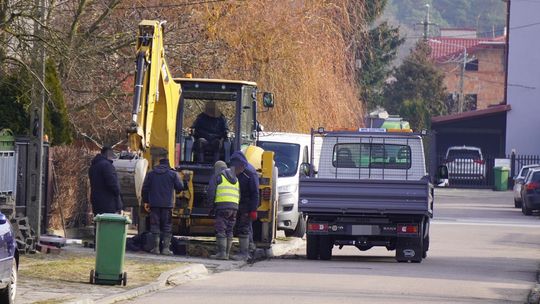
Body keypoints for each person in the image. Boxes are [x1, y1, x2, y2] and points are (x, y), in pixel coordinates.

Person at [141, 150, 186, 255]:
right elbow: (180, 187)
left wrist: (146, 201)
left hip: (154, 205)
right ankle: (166, 249)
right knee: (167, 226)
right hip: (167, 205)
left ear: (159, 164)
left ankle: (156, 248)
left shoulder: (151, 173)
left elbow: (145, 188)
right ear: (168, 164)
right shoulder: (173, 174)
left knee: (155, 226)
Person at [229, 151, 259, 261]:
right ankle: (250, 249)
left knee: (244, 227)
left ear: (242, 166)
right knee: (243, 227)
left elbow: (255, 193)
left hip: (247, 203)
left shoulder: (250, 173)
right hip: (237, 202)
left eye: (237, 168)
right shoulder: (233, 170)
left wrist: (253, 209)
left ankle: (244, 253)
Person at [207, 161, 240, 260]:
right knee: (229, 230)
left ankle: (221, 254)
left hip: (222, 207)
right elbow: (239, 194)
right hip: (234, 207)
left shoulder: (218, 177)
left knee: (221, 229)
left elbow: (211, 192)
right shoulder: (235, 179)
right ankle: (227, 253)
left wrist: (210, 207)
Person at [88, 146, 122, 216]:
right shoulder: (107, 166)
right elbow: (112, 184)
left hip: (96, 202)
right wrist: (118, 192)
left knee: (99, 224)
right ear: (108, 154)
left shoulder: (93, 166)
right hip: (108, 203)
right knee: (108, 224)